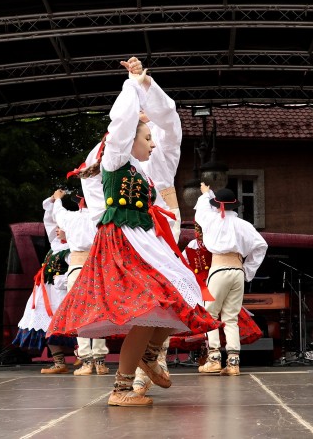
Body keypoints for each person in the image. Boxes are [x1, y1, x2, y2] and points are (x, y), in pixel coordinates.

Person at [47, 57, 222, 407]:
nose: (153, 142)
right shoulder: (114, 158)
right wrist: (131, 86)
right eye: (146, 136)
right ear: (129, 139)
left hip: (145, 239)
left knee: (182, 293)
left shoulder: (143, 169)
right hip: (124, 242)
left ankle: (150, 355)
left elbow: (169, 124)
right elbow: (122, 124)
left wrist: (146, 86)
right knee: (148, 306)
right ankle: (123, 386)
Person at [195, 184, 268, 376]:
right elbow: (261, 245)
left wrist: (205, 194)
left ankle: (214, 359)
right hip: (237, 271)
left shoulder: (209, 220)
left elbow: (201, 210)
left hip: (219, 269)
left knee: (209, 315)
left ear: (216, 205)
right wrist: (248, 270)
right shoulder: (244, 225)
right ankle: (233, 363)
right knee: (231, 317)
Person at [13, 193, 75, 374]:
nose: (56, 230)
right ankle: (59, 362)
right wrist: (55, 201)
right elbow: (49, 221)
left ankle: (88, 360)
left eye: (61, 227)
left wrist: (62, 281)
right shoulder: (56, 245)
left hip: (63, 293)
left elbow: (77, 272)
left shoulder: (74, 248)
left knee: (75, 325)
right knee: (48, 325)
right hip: (46, 293)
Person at [51, 188, 109, 376]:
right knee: (99, 312)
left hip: (77, 268)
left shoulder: (71, 217)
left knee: (80, 313)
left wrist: (58, 199)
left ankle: (86, 361)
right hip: (97, 267)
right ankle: (99, 361)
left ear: (79, 203)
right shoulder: (100, 216)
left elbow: (57, 213)